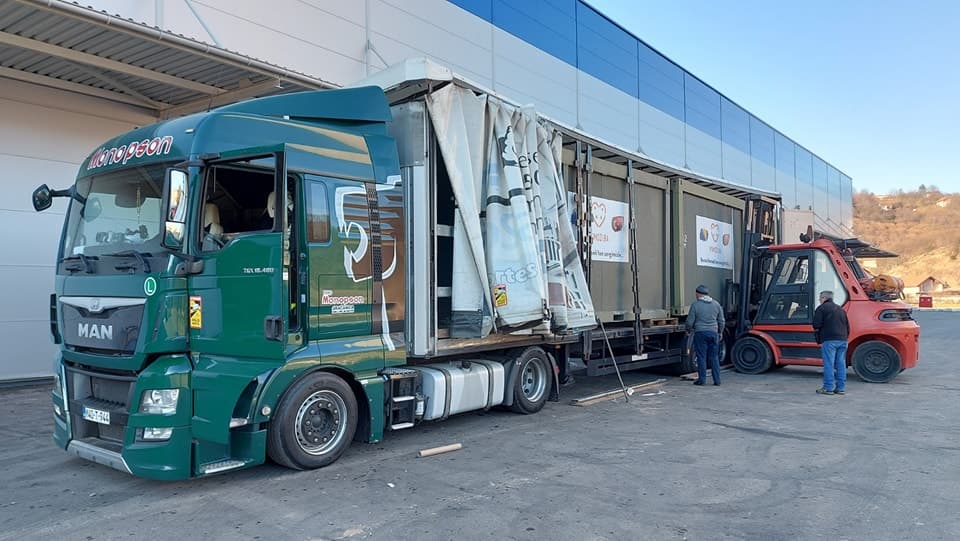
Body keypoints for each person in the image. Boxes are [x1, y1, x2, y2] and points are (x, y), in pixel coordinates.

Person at [686, 284, 725, 386]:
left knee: (701, 357)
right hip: (713, 333)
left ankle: (702, 380)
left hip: (700, 333)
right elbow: (721, 321)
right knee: (714, 357)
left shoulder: (695, 305)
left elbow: (690, 321)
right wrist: (720, 332)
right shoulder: (716, 304)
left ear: (698, 294)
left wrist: (688, 330)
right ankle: (717, 380)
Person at [812, 290, 850, 395]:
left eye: (820, 298)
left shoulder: (821, 308)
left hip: (829, 340)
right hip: (843, 340)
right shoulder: (841, 309)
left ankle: (828, 388)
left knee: (829, 364)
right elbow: (847, 326)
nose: (819, 300)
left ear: (824, 298)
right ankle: (841, 388)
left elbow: (816, 324)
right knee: (841, 364)